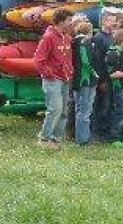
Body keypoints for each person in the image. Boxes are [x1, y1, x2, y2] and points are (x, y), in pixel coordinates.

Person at [34, 8, 77, 149]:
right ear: (61, 21)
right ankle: (44, 139)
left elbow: (68, 58)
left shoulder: (66, 37)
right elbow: (39, 60)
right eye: (69, 20)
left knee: (64, 111)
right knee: (55, 109)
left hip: (65, 79)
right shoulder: (48, 37)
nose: (71, 23)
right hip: (53, 80)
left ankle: (55, 140)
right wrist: (50, 74)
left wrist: (70, 72)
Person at [92, 11, 119, 140]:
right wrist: (102, 80)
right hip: (104, 78)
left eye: (114, 20)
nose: (113, 23)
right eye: (110, 20)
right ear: (103, 21)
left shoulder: (113, 37)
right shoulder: (98, 38)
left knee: (110, 106)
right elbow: (98, 61)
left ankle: (107, 131)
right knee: (102, 106)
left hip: (113, 77)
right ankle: (98, 133)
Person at [71, 21, 99, 146]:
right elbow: (85, 62)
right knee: (85, 111)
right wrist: (95, 74)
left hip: (78, 79)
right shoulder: (85, 42)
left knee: (80, 110)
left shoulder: (74, 42)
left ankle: (82, 136)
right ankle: (83, 139)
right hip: (85, 80)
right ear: (89, 31)